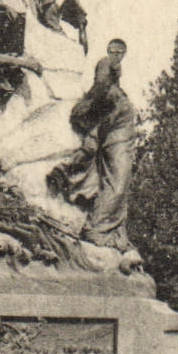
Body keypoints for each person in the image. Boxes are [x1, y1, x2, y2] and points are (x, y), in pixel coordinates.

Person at [49, 39, 138, 251]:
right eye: (113, 51)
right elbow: (99, 93)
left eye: (120, 52)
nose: (116, 55)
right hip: (113, 133)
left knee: (121, 182)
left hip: (118, 131)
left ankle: (108, 229)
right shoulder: (104, 77)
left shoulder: (114, 86)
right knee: (119, 181)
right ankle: (97, 229)